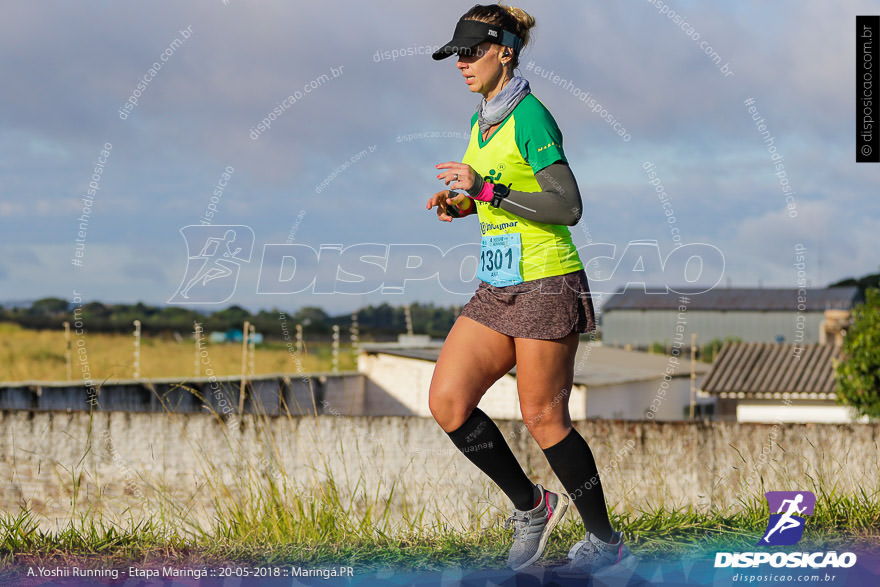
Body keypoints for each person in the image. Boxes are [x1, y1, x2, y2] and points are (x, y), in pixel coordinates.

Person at [426, 3, 631, 574]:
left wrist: (485, 192)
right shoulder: (481, 121)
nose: (461, 64)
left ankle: (605, 541)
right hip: (497, 286)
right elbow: (492, 193)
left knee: (543, 417)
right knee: (447, 401)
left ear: (504, 52)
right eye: (455, 56)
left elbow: (567, 206)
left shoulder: (531, 117)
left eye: (470, 52)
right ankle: (532, 506)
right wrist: (462, 203)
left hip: (546, 282)